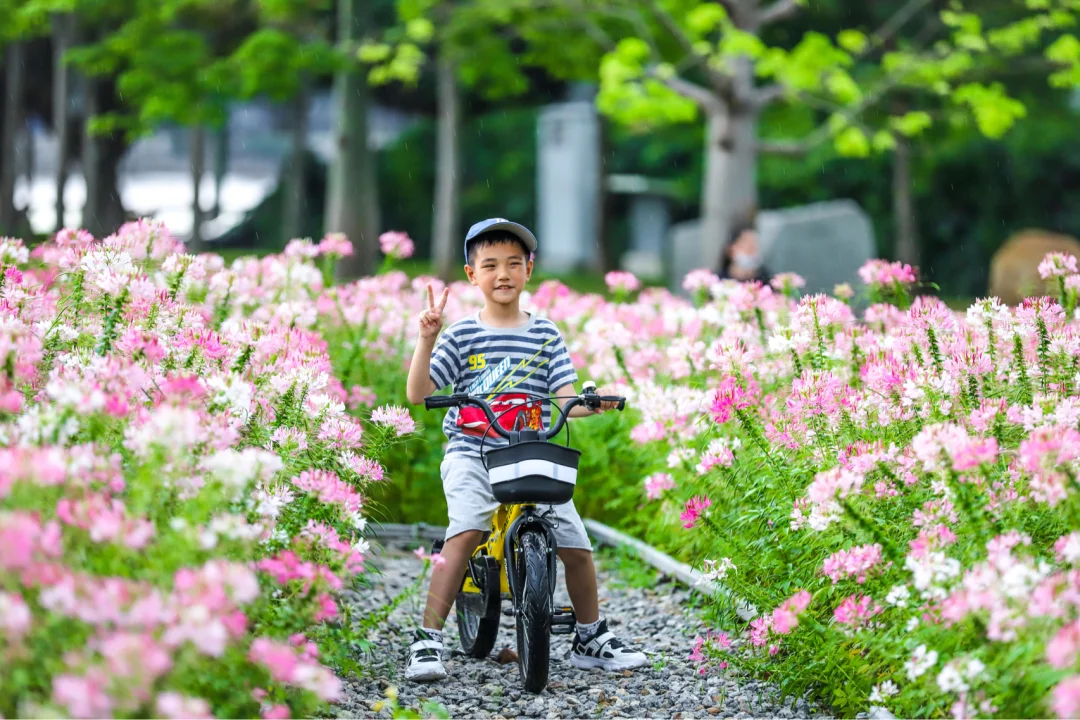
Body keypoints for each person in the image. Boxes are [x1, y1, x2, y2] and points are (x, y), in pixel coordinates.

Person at [403, 217, 649, 682]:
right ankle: (427, 639)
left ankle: (590, 636)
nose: (503, 274)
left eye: (514, 263)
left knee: (577, 546)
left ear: (528, 270)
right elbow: (418, 393)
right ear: (471, 274)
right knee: (466, 530)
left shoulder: (545, 334)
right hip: (472, 451)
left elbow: (565, 397)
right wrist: (427, 338)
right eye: (490, 265)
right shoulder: (461, 335)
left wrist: (590, 402)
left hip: (528, 452)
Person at [718, 219, 770, 284]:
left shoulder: (768, 282)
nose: (751, 248)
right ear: (730, 250)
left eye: (755, 243)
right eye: (745, 243)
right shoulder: (716, 281)